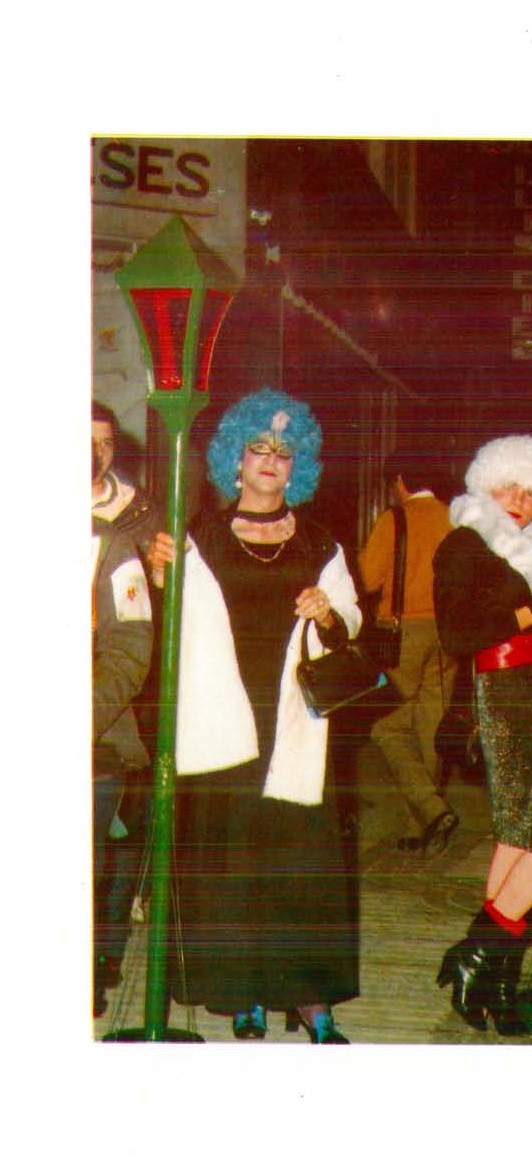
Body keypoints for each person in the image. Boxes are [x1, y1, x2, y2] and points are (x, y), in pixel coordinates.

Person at [150, 388, 362, 1041]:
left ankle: (310, 1001)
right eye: (258, 448)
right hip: (225, 719)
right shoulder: (197, 538)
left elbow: (351, 621)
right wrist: (159, 578)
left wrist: (329, 613)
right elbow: (168, 622)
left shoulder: (321, 541)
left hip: (295, 722)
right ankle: (242, 992)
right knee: (234, 862)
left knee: (301, 863)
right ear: (235, 461)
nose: (270, 460)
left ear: (299, 466)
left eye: (283, 451)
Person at [432, 435, 532, 1034]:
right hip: (505, 694)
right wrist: (529, 612)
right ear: (485, 485)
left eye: (530, 491)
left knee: (519, 836)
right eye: (508, 488)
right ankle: (476, 951)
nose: (519, 500)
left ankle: (491, 982)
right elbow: (456, 631)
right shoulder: (465, 543)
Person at [357, 448, 457, 854]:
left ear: (400, 481)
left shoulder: (393, 519)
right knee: (431, 725)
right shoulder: (455, 518)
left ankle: (431, 809)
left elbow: (366, 579)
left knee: (387, 726)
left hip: (401, 635)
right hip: (448, 634)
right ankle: (418, 828)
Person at [92, 403, 155, 1018]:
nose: (94, 453)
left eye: (104, 442)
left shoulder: (131, 523)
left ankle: (102, 953)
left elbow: (131, 646)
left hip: (110, 723)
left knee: (109, 844)